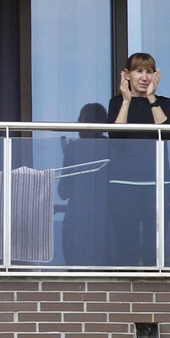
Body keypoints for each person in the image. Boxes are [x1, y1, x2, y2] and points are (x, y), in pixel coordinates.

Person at [106, 53, 170, 264]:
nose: (144, 77)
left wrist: (151, 98)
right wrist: (126, 101)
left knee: (155, 248)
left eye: (149, 72)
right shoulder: (117, 102)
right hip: (123, 184)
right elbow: (116, 138)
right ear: (127, 74)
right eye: (139, 71)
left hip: (159, 183)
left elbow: (166, 133)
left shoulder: (163, 102)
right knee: (127, 247)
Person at [58, 102, 112, 266]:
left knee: (77, 270)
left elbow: (63, 192)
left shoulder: (74, 148)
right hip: (107, 219)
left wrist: (67, 156)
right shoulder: (112, 146)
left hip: (78, 219)